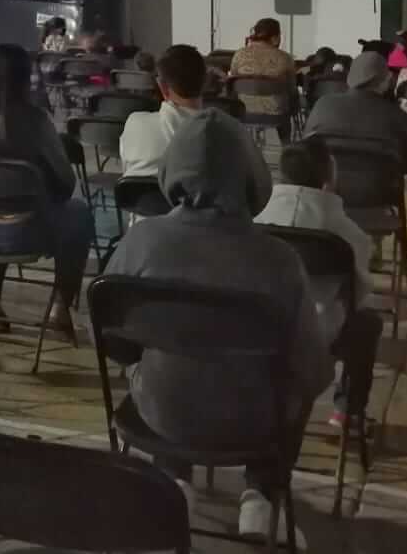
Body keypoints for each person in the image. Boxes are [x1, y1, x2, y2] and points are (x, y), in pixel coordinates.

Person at [105, 108, 332, 542]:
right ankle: (262, 496)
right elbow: (313, 372)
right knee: (299, 379)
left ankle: (172, 478)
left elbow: (110, 339)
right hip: (255, 422)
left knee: (166, 366)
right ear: (251, 175)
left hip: (159, 411)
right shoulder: (279, 261)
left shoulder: (140, 242)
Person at [0, 44, 93, 338]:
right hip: (27, 233)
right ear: (26, 78)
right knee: (79, 213)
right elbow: (66, 185)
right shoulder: (36, 121)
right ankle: (60, 308)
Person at [255, 137, 383, 428]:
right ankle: (346, 412)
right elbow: (358, 295)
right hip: (319, 334)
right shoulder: (349, 235)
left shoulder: (256, 217)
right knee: (369, 323)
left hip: (257, 326)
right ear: (328, 179)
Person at [118, 44, 272, 208]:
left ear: (162, 86)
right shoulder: (231, 132)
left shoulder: (134, 123)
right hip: (208, 230)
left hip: (142, 228)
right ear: (205, 82)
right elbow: (259, 193)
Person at [302, 52, 407, 173]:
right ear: (385, 80)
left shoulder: (323, 105)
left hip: (329, 187)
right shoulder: (397, 115)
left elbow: (305, 149)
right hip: (379, 189)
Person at [229, 18, 298, 137]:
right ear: (275, 37)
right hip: (276, 116)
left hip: (243, 113)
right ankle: (287, 147)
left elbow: (232, 81)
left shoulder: (238, 55)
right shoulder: (285, 58)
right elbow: (291, 89)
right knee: (290, 100)